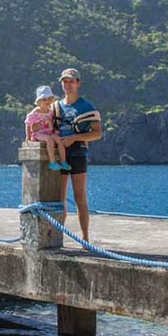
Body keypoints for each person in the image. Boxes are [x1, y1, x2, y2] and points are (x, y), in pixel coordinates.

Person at [54, 68, 102, 244]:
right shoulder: (56, 106)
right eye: (64, 81)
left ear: (78, 83)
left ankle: (85, 238)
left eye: (71, 81)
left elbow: (97, 133)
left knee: (79, 196)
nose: (67, 84)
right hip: (60, 155)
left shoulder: (87, 106)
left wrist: (74, 137)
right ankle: (58, 237)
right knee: (59, 198)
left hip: (78, 153)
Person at [25, 86, 71, 171]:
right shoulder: (34, 113)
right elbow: (28, 124)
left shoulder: (50, 112)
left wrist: (53, 128)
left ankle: (63, 162)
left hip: (48, 132)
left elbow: (51, 124)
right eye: (44, 99)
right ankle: (52, 162)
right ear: (38, 102)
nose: (47, 101)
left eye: (49, 99)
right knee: (50, 139)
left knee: (59, 140)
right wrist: (28, 137)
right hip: (38, 134)